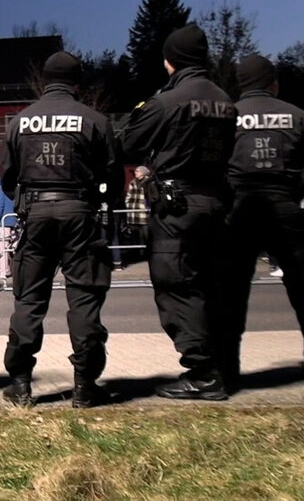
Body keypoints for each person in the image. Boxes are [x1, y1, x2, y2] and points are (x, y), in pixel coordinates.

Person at [0, 51, 124, 408]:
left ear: (46, 81)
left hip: (35, 214)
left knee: (29, 300)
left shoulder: (20, 121)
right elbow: (113, 177)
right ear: (76, 82)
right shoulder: (95, 120)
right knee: (84, 297)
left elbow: (7, 177)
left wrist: (28, 201)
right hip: (80, 213)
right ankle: (85, 383)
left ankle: (20, 383)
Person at [120, 23, 237, 401]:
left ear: (171, 61)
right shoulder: (223, 99)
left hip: (177, 208)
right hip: (216, 203)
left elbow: (127, 142)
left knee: (177, 287)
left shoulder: (168, 101)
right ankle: (220, 366)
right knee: (210, 287)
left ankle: (202, 373)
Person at [219, 54, 304, 386]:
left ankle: (228, 367)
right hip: (285, 206)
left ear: (240, 84)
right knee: (303, 285)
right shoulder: (299, 116)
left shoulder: (227, 116)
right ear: (274, 83)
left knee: (232, 290)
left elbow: (211, 162)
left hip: (240, 208)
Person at [120, 166, 151, 266]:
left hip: (143, 213)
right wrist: (128, 205)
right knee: (135, 236)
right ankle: (137, 255)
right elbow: (129, 196)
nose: (136, 173)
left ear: (143, 172)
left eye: (138, 171)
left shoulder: (148, 182)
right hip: (133, 213)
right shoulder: (133, 182)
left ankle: (147, 255)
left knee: (146, 235)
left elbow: (149, 197)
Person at [0, 178, 18, 280]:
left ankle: (4, 271)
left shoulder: (1, 189)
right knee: (14, 247)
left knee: (2, 247)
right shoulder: (16, 188)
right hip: (15, 221)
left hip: (4, 222)